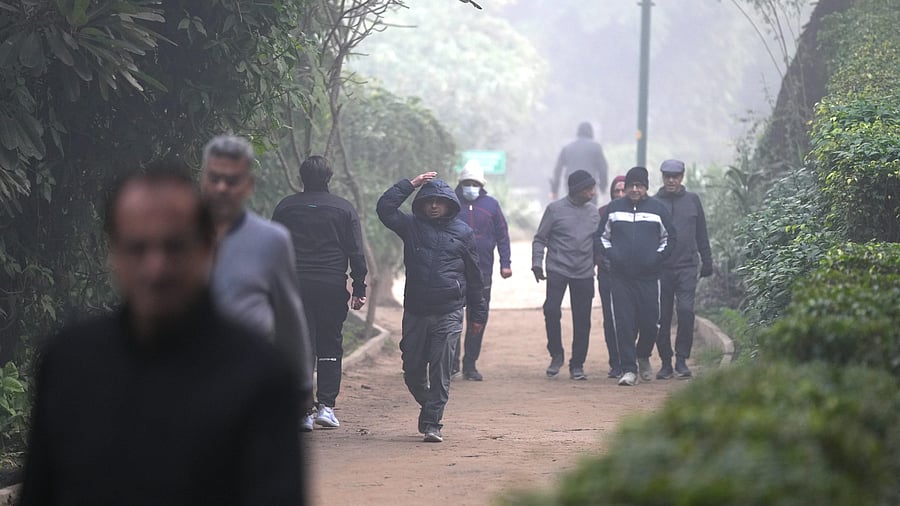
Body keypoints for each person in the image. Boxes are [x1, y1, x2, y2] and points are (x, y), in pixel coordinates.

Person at [19, 163, 304, 505]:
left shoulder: (262, 375)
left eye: (174, 247)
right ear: (113, 254)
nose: (156, 268)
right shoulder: (69, 362)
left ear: (207, 250)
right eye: (138, 248)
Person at [200, 135, 313, 408]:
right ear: (203, 181)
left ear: (248, 185)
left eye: (232, 180)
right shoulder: (173, 235)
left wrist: (302, 384)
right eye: (214, 178)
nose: (221, 188)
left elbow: (289, 316)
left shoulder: (271, 240)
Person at [376, 172, 487, 443]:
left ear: (450, 204)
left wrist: (478, 315)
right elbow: (384, 208)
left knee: (441, 369)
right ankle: (429, 405)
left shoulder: (463, 233)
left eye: (440, 202)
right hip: (416, 310)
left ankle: (432, 422)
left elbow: (474, 277)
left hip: (449, 311)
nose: (434, 206)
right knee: (412, 371)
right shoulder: (411, 226)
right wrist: (410, 185)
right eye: (429, 201)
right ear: (422, 203)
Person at [272, 155, 368, 430]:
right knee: (330, 343)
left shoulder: (286, 208)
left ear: (302, 177)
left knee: (301, 346)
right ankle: (326, 407)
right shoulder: (343, 208)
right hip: (330, 285)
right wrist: (358, 287)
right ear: (329, 177)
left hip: (295, 285)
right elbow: (355, 252)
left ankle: (303, 412)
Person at [598, 166, 676, 386]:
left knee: (651, 323)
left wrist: (656, 258)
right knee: (623, 323)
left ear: (646, 187)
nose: (634, 189)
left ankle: (643, 355)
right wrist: (612, 254)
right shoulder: (613, 210)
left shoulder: (657, 210)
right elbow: (601, 238)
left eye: (639, 185)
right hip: (621, 277)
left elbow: (669, 239)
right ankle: (629, 369)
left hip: (649, 277)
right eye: (631, 185)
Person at [532, 169, 602, 380]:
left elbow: (599, 242)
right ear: (577, 190)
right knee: (551, 309)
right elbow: (540, 238)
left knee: (583, 319)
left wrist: (603, 263)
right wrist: (537, 263)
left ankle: (577, 364)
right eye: (589, 189)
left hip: (584, 272)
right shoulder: (555, 210)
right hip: (558, 269)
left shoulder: (593, 212)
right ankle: (556, 354)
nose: (592, 193)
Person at [450, 160, 512, 381]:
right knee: (453, 318)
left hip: (483, 272)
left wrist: (506, 262)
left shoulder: (491, 205)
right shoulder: (450, 202)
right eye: (467, 183)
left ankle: (470, 364)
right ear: (461, 183)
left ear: (481, 184)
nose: (471, 187)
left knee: (478, 317)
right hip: (454, 271)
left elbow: (503, 236)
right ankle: (452, 363)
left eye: (475, 183)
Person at [653, 159, 712, 379]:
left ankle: (681, 359)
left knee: (686, 311)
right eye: (667, 176)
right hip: (661, 269)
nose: (671, 180)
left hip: (687, 266)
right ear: (662, 177)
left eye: (675, 176)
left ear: (682, 177)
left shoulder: (692, 201)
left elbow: (701, 232)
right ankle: (666, 361)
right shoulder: (654, 202)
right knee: (662, 316)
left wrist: (707, 260)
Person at [596, 175, 627, 378]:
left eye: (623, 190)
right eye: (617, 191)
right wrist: (603, 261)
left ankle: (629, 358)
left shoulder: (639, 212)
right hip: (607, 274)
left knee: (631, 318)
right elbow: (596, 241)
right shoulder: (602, 212)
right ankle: (615, 362)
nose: (620, 194)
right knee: (610, 318)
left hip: (632, 275)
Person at [550, 122, 609, 200]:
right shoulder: (596, 147)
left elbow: (557, 170)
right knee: (589, 210)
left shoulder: (567, 148)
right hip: (589, 187)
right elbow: (603, 169)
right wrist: (603, 187)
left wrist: (554, 190)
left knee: (572, 208)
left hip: (571, 186)